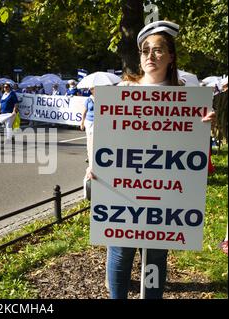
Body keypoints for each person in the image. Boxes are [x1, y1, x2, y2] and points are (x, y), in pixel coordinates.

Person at [86, 20, 215, 299]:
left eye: (158, 50)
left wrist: (203, 127)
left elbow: (192, 152)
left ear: (171, 56)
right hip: (125, 189)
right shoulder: (123, 91)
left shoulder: (186, 99)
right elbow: (105, 138)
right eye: (145, 51)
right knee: (120, 252)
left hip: (164, 193)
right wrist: (94, 166)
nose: (150, 57)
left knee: (155, 255)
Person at [80, 87, 95, 164]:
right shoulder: (88, 100)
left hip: (98, 123)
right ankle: (89, 156)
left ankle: (94, 156)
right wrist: (82, 122)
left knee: (96, 140)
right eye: (93, 89)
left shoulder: (102, 99)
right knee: (89, 140)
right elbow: (84, 112)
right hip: (89, 122)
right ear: (91, 91)